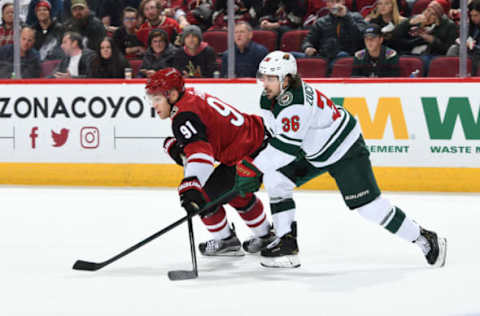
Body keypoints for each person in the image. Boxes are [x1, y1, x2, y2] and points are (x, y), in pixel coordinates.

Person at [234, 51, 447, 269]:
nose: (265, 83)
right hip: (313, 150)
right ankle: (286, 243)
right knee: (276, 179)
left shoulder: (296, 102)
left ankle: (424, 238)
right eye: (264, 77)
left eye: (271, 78)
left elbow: (286, 149)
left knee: (370, 208)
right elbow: (278, 136)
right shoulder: (271, 96)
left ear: (287, 79)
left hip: (345, 149)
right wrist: (256, 165)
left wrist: (253, 167)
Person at [145, 67, 276, 256]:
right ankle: (265, 236)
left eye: (157, 99)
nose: (154, 104)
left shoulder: (183, 116)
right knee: (235, 192)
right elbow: (205, 140)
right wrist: (183, 151)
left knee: (204, 200)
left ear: (172, 95)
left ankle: (226, 241)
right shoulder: (189, 96)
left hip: (247, 154)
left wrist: (191, 186)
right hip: (257, 141)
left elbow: (202, 155)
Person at [301, 0, 367, 61]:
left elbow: (362, 37)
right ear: (327, 4)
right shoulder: (321, 22)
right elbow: (308, 40)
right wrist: (308, 47)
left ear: (343, 2)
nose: (335, 5)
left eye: (338, 1)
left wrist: (346, 17)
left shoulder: (356, 17)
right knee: (292, 55)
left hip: (347, 57)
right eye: (332, 1)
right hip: (324, 56)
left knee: (342, 55)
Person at [391, 0, 457, 57]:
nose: (427, 15)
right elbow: (395, 37)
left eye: (433, 14)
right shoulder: (417, 18)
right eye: (428, 10)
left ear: (439, 18)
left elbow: (449, 50)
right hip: (409, 54)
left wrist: (432, 40)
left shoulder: (450, 26)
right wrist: (408, 23)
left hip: (432, 58)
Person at [447, 0, 480, 75]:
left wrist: (474, 46)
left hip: (477, 54)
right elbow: (466, 38)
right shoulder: (472, 25)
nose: (472, 18)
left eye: (476, 15)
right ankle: (452, 74)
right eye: (471, 15)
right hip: (471, 51)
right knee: (453, 49)